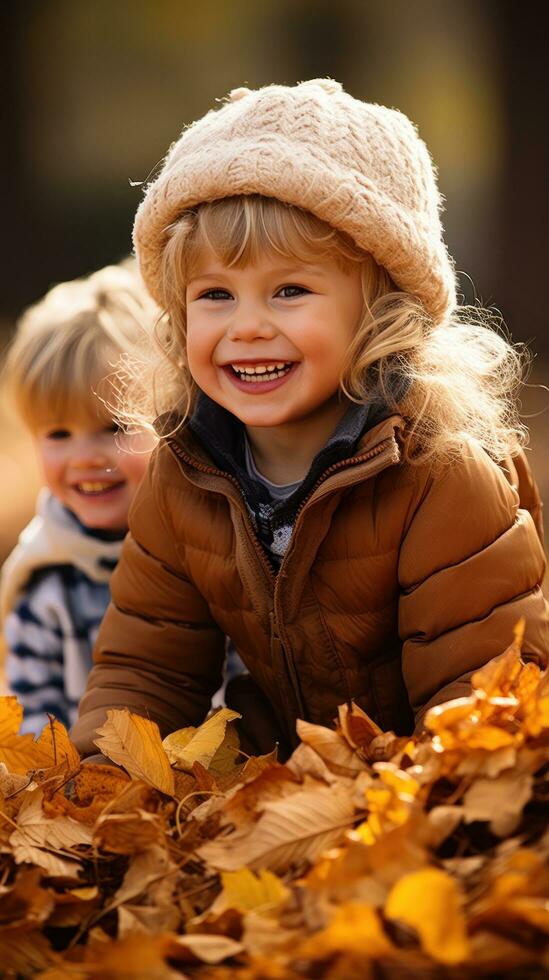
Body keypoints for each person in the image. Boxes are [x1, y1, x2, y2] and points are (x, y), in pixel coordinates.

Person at [71, 79, 549, 760]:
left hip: (424, 783)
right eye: (214, 295)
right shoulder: (187, 470)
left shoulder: (439, 476)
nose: (247, 327)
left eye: (289, 291)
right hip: (283, 776)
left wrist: (418, 809)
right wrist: (102, 784)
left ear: (381, 309)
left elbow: (477, 695)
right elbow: (146, 669)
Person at [1, 262, 158, 734]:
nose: (84, 458)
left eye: (114, 427)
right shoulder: (46, 583)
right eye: (58, 434)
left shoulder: (205, 547)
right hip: (89, 794)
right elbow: (32, 729)